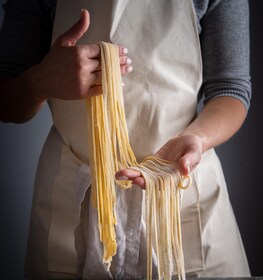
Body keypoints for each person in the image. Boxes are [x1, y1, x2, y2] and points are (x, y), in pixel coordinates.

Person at [0, 0, 251, 279]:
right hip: (73, 201)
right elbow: (7, 101)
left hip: (179, 195)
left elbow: (231, 88)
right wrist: (40, 82)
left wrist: (196, 138)